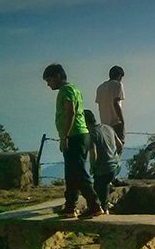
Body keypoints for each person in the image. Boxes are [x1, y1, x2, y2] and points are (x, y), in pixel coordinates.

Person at [42, 63, 104, 219]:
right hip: (80, 135)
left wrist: (65, 136)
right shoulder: (74, 89)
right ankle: (70, 206)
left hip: (75, 136)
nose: (48, 85)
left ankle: (95, 205)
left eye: (49, 80)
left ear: (57, 76)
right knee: (71, 173)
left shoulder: (66, 90)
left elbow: (71, 111)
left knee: (78, 172)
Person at [84, 109, 122, 213]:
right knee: (104, 183)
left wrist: (93, 168)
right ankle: (109, 189)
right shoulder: (107, 127)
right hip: (116, 167)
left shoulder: (91, 134)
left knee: (98, 189)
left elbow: (93, 154)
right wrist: (115, 158)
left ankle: (103, 210)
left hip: (104, 171)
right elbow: (120, 145)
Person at [96, 66, 126, 141]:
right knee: (118, 146)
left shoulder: (100, 88)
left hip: (105, 124)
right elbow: (116, 103)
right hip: (116, 123)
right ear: (119, 76)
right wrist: (122, 121)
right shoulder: (118, 85)